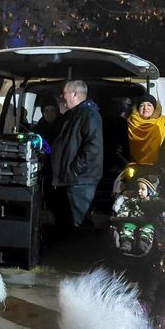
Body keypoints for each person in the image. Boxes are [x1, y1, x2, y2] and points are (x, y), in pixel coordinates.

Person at [51, 80, 104, 228]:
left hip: (81, 180)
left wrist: (74, 170)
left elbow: (92, 148)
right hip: (74, 180)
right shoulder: (75, 114)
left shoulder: (89, 115)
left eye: (64, 93)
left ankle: (84, 243)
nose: (62, 97)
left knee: (81, 224)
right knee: (71, 222)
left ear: (74, 94)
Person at [114, 175, 160, 255]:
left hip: (147, 222)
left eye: (143, 189)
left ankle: (143, 244)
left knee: (148, 229)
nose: (139, 191)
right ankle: (126, 243)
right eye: (138, 188)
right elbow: (125, 207)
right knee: (127, 226)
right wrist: (123, 215)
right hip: (133, 220)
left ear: (150, 191)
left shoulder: (155, 202)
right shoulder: (134, 200)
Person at [125, 94, 165, 166]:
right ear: (138, 108)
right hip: (134, 167)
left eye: (149, 105)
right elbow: (119, 149)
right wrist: (126, 162)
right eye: (142, 105)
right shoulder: (129, 123)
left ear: (154, 108)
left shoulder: (162, 123)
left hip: (157, 167)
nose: (145, 108)